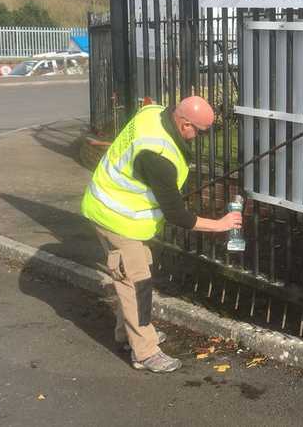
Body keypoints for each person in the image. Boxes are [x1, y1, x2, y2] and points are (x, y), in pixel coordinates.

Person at [81, 96, 242, 373]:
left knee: (131, 276)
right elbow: (177, 215)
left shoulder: (154, 112)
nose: (201, 138)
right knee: (137, 283)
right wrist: (220, 225)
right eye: (200, 132)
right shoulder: (157, 157)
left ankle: (128, 335)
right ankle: (145, 352)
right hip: (114, 217)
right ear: (184, 124)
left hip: (111, 206)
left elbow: (146, 106)